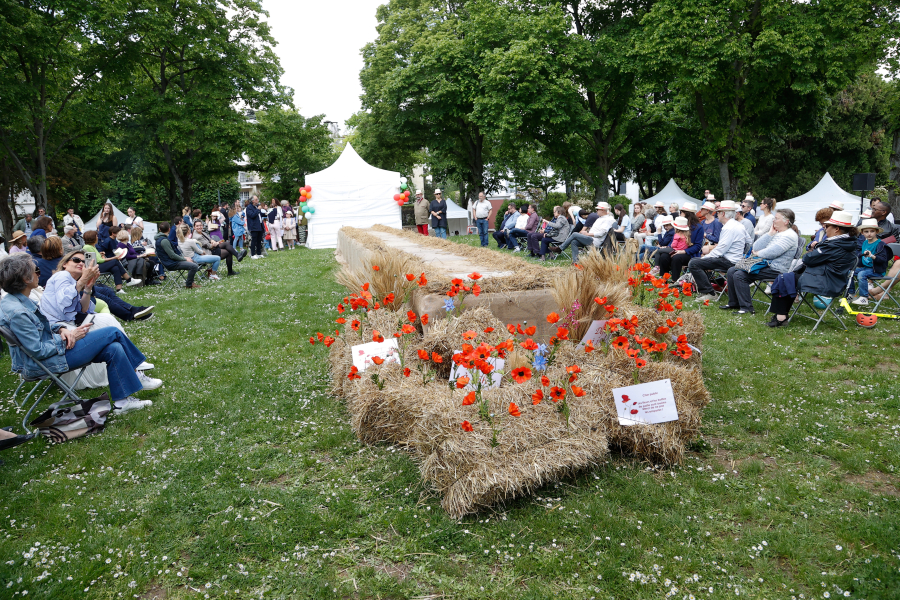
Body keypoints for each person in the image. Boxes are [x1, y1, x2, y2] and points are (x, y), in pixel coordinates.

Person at [0, 254, 161, 413]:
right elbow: (37, 350)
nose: (39, 273)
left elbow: (44, 326)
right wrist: (69, 337)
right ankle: (136, 374)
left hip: (52, 352)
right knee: (112, 332)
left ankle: (122, 403)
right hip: (45, 362)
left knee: (114, 349)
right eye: (36, 270)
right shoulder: (17, 312)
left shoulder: (18, 301)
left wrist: (61, 329)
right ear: (25, 279)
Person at [767, 210, 859, 327]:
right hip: (828, 277)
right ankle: (781, 316)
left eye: (827, 226)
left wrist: (813, 252)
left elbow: (808, 258)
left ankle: (780, 317)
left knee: (784, 278)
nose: (825, 228)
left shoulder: (835, 245)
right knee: (787, 278)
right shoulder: (845, 242)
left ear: (837, 229)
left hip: (827, 281)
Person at [41, 250, 154, 325]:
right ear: (64, 264)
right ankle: (130, 313)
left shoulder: (72, 278)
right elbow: (65, 300)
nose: (81, 263)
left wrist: (88, 287)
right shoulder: (62, 275)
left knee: (105, 290)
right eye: (76, 260)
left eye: (84, 261)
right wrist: (85, 281)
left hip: (73, 315)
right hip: (61, 323)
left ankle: (132, 310)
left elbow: (83, 309)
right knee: (105, 298)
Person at [721, 209, 800, 315]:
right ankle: (734, 303)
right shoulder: (776, 233)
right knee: (732, 270)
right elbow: (756, 246)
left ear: (786, 221)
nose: (774, 220)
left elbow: (773, 252)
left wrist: (758, 253)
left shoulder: (789, 235)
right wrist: (770, 233)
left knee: (740, 275)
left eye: (776, 218)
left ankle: (747, 308)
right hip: (764, 264)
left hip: (776, 268)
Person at [689, 201, 748, 303]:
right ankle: (708, 289)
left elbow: (720, 251)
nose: (717, 214)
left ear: (723, 214)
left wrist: (705, 258)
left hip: (729, 261)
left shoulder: (728, 228)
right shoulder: (739, 225)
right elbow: (749, 242)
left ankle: (709, 293)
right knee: (697, 261)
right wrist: (741, 254)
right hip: (736, 260)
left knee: (694, 263)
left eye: (718, 212)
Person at [656, 205, 704, 281]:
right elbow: (673, 240)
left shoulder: (698, 227)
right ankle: (663, 280)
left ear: (686, 214)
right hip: (676, 249)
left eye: (681, 212)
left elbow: (697, 246)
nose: (680, 214)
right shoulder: (679, 224)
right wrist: (668, 247)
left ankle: (675, 281)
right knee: (664, 256)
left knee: (676, 258)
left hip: (690, 253)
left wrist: (683, 251)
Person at [850, 219, 890, 306]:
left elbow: (883, 259)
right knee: (850, 272)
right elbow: (861, 259)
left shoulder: (880, 244)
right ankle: (851, 294)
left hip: (877, 270)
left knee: (862, 274)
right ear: (862, 232)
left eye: (872, 231)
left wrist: (872, 256)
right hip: (866, 268)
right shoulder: (864, 243)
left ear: (877, 232)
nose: (869, 234)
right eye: (866, 231)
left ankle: (864, 298)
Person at [155, 222, 201, 288]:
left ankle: (191, 282)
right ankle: (189, 285)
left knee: (193, 262)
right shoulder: (164, 240)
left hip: (171, 261)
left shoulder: (160, 239)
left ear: (159, 229)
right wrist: (185, 259)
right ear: (169, 229)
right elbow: (172, 255)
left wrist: (184, 257)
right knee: (193, 266)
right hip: (171, 263)